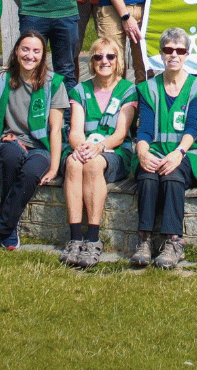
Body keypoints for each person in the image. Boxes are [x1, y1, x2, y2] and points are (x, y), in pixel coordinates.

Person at [0, 31, 67, 254]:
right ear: (16, 51)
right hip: (10, 140)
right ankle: (8, 228)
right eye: (25, 49)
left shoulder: (54, 83)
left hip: (40, 146)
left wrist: (54, 167)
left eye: (36, 51)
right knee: (10, 156)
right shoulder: (1, 80)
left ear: (43, 55)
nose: (30, 55)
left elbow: (55, 130)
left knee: (31, 171)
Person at [130, 28, 197, 269]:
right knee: (147, 176)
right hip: (153, 150)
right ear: (161, 54)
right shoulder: (148, 88)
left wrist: (178, 153)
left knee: (172, 176)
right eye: (168, 50)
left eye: (179, 50)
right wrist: (143, 152)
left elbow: (194, 127)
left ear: (187, 54)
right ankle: (144, 240)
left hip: (185, 153)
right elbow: (143, 128)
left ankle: (174, 241)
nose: (173, 55)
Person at [60, 37, 137, 268]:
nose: (104, 61)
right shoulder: (80, 90)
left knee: (94, 165)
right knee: (73, 164)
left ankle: (93, 238)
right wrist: (81, 148)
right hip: (84, 148)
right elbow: (75, 131)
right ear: (92, 61)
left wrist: (99, 147)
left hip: (113, 151)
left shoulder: (128, 89)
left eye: (110, 56)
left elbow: (121, 133)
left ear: (118, 61)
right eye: (98, 56)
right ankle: (75, 238)